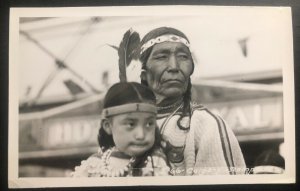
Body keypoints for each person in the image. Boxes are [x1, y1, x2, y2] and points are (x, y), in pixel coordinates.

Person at [139, 27, 246, 175]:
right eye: (162, 57)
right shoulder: (127, 124)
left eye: (183, 56)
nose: (174, 67)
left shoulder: (205, 123)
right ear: (144, 73)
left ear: (191, 69)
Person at [71, 82, 169, 177]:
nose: (141, 135)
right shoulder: (94, 164)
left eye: (149, 124)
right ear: (108, 126)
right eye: (131, 124)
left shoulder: (154, 164)